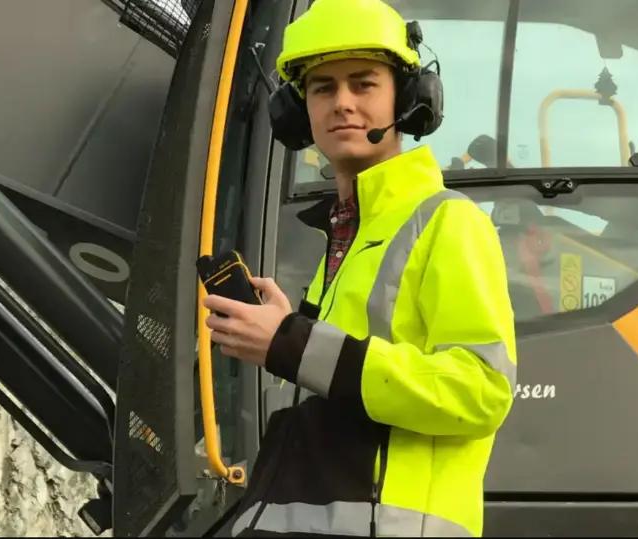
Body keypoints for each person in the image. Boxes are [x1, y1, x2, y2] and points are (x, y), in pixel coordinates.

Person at [202, 0, 517, 536]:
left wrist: (293, 343)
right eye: (323, 88)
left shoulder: (448, 223)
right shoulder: (345, 239)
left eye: (363, 84)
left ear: (408, 98)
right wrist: (288, 336)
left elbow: (481, 391)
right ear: (298, 113)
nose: (342, 103)